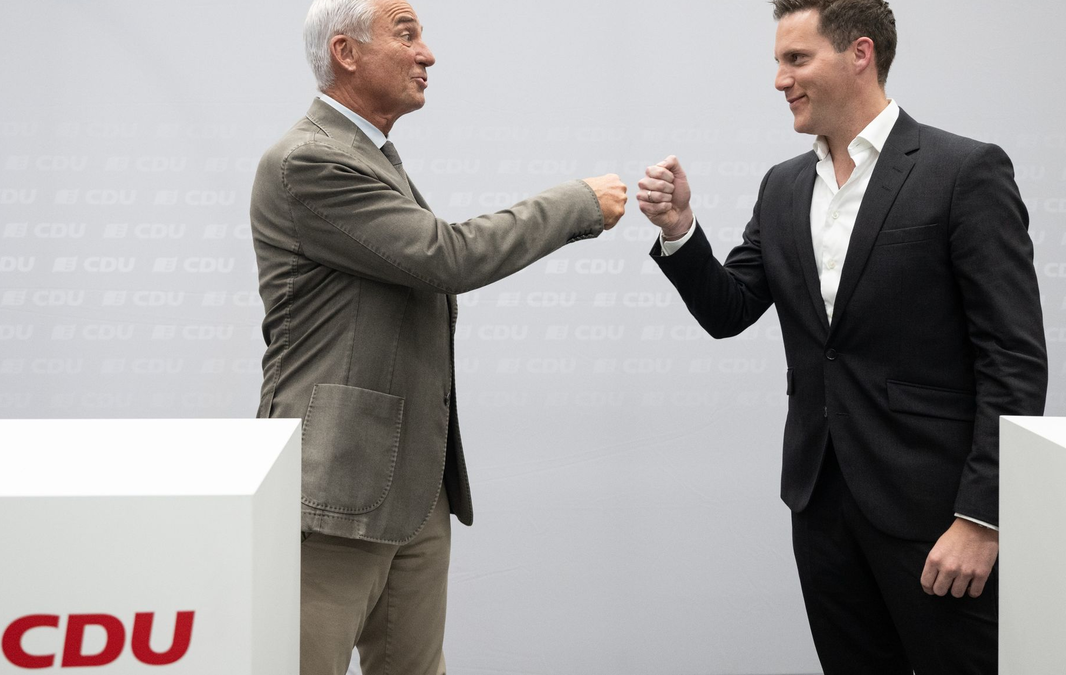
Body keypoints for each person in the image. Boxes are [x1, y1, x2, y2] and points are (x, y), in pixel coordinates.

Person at [637, 1, 1046, 672]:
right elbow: (729, 309)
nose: (779, 79)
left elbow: (1015, 359)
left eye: (796, 59)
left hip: (943, 518)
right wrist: (680, 227)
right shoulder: (782, 186)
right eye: (778, 62)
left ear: (860, 54)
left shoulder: (963, 171)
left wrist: (983, 517)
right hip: (821, 509)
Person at [250, 1, 627, 673]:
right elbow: (443, 255)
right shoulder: (309, 161)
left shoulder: (369, 156)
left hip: (415, 487)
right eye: (408, 34)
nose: (428, 53)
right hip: (335, 490)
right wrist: (576, 204)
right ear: (347, 52)